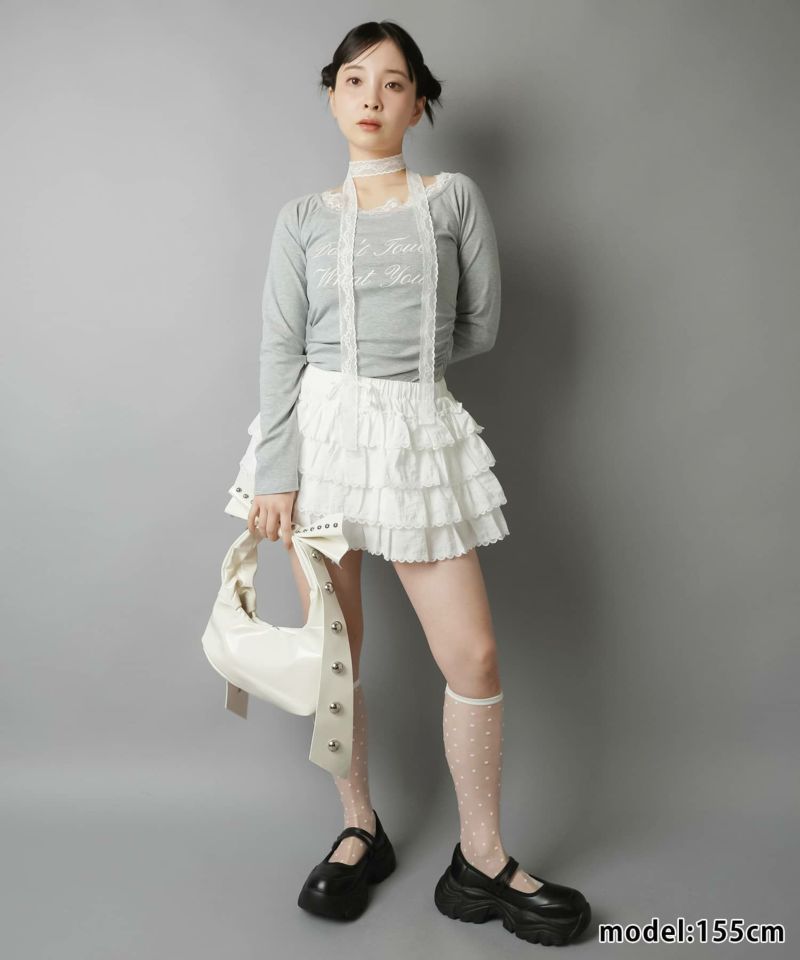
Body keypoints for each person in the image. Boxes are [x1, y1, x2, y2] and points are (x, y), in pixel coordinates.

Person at [241, 19, 591, 947]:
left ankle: (480, 858)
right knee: (336, 652)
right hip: (318, 440)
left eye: (392, 83)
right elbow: (280, 350)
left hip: (415, 435)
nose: (371, 98)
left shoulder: (453, 199)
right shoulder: (302, 219)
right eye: (354, 80)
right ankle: (359, 828)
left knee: (472, 655)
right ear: (332, 96)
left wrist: (404, 387)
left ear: (419, 104)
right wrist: (276, 471)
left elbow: (478, 327)